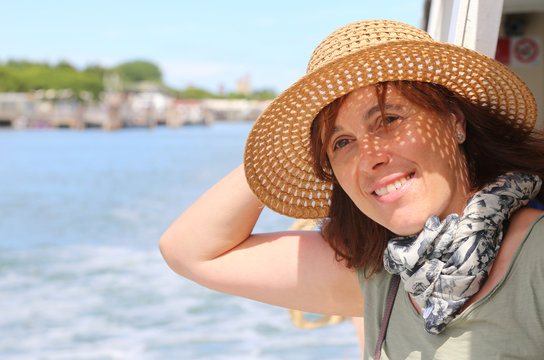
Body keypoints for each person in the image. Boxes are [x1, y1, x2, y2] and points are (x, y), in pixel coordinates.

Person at [160, 20, 544, 358]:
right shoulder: (385, 274)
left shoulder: (535, 257)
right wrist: (276, 155)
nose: (369, 158)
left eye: (389, 119)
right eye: (341, 143)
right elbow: (190, 252)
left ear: (454, 120)